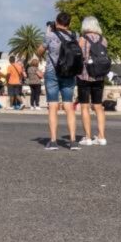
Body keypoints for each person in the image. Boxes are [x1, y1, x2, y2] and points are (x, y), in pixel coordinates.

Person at [38, 12, 80, 150]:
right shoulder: (75, 35)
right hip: (69, 73)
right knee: (69, 106)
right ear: (70, 23)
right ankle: (73, 141)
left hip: (52, 73)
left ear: (56, 22)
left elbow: (39, 52)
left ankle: (54, 141)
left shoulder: (50, 35)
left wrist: (48, 32)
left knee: (53, 107)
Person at [77, 16, 109, 146]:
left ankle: (88, 137)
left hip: (84, 75)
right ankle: (101, 137)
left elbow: (78, 57)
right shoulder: (104, 40)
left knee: (85, 106)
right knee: (98, 106)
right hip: (99, 76)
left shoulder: (82, 39)